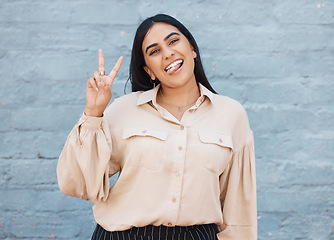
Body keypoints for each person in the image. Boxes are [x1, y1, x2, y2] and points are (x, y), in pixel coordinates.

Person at [57, 14, 257, 240]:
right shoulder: (123, 110)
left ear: (192, 49)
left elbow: (238, 209)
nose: (168, 53)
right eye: (154, 51)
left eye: (173, 41)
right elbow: (78, 184)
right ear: (149, 70)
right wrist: (93, 112)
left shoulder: (231, 114)